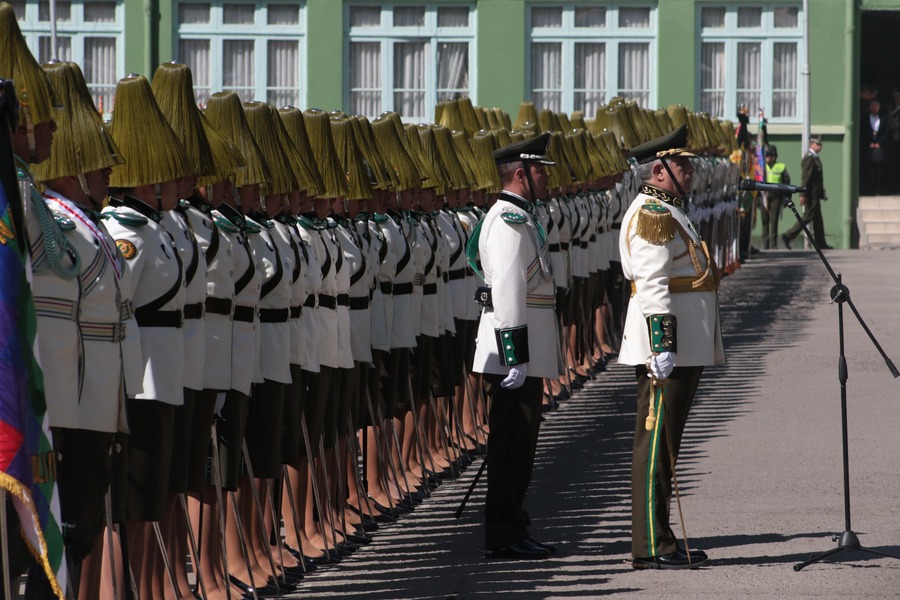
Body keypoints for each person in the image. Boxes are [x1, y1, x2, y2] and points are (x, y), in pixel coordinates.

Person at [619, 124, 725, 570]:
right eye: (683, 164)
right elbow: (653, 283)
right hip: (668, 347)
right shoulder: (653, 214)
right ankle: (650, 545)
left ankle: (659, 535)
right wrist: (662, 345)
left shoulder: (668, 208)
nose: (691, 170)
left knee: (666, 444)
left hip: (683, 345)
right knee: (656, 443)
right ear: (660, 171)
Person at [471, 132, 561, 560]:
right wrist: (515, 355)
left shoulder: (521, 217)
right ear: (522, 174)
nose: (547, 179)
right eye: (541, 171)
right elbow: (507, 289)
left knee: (520, 446)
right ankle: (504, 532)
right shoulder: (507, 221)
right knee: (511, 447)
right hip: (515, 354)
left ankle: (512, 525)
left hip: (524, 352)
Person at [783, 136, 831, 249]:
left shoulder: (815, 158)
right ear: (812, 144)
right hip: (810, 194)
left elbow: (818, 179)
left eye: (821, 145)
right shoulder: (809, 158)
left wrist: (821, 193)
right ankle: (788, 235)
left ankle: (821, 243)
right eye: (818, 144)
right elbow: (806, 177)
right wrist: (803, 194)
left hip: (815, 194)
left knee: (818, 219)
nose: (820, 147)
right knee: (808, 216)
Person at [760, 145, 790, 249]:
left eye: (768, 156)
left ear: (774, 156)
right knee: (764, 220)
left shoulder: (781, 166)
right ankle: (765, 243)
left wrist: (787, 197)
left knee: (774, 220)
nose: (767, 158)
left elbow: (786, 181)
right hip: (764, 195)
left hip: (776, 195)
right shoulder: (762, 166)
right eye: (766, 156)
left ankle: (773, 244)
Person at [860, 99, 889, 196]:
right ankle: (868, 189)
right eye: (872, 105)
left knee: (878, 169)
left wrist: (879, 143)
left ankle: (877, 189)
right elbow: (862, 131)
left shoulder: (883, 118)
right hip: (868, 147)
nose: (874, 108)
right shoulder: (865, 118)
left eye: (876, 105)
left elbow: (886, 132)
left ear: (879, 107)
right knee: (868, 169)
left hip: (879, 147)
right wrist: (869, 142)